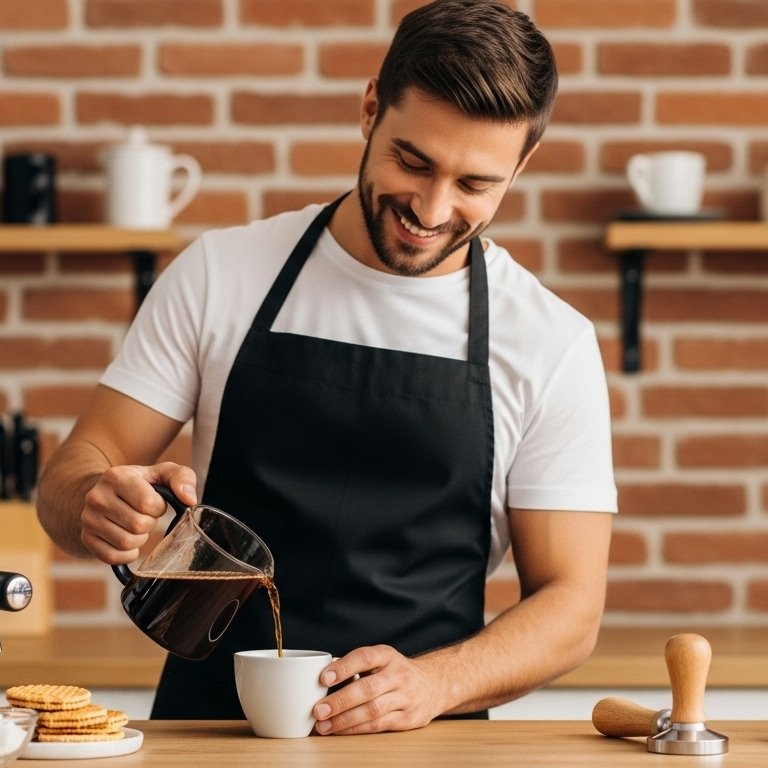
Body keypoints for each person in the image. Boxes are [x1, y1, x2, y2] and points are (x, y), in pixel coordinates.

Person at [37, 0, 616, 734]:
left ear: (523, 163)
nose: (434, 210)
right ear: (371, 108)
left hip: (425, 742)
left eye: (476, 185)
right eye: (414, 161)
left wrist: (437, 682)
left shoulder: (548, 341)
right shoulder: (224, 272)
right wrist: (95, 499)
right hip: (211, 734)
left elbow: (572, 606)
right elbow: (67, 479)